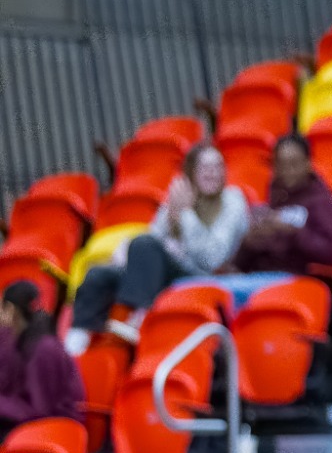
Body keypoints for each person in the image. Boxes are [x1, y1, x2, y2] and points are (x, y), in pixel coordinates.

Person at [69, 142, 248, 346]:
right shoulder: (179, 197)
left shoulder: (233, 200)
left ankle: (138, 318)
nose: (212, 173)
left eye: (217, 167)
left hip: (204, 275)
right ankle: (77, 341)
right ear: (190, 172)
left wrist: (186, 215)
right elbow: (155, 237)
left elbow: (212, 259)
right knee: (99, 274)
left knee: (145, 244)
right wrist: (172, 216)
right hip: (168, 273)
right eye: (205, 168)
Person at [229, 134, 332, 275]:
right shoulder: (275, 197)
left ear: (308, 164)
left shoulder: (323, 202)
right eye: (281, 164)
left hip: (298, 283)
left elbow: (331, 253)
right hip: (259, 276)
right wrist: (250, 240)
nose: (287, 171)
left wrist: (293, 232)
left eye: (294, 164)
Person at [0, 281, 83, 435]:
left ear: (10, 310)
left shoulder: (44, 349)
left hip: (52, 432)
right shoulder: (20, 341)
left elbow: (42, 411)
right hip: (26, 424)